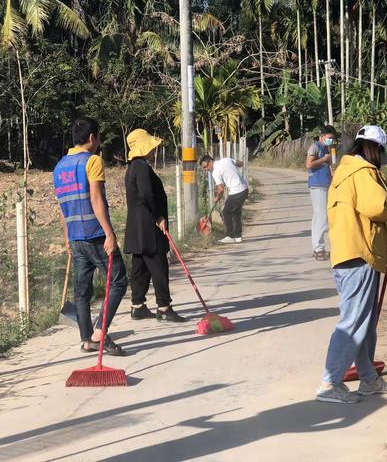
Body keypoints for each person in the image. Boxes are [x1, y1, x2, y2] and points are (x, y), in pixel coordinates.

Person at [315, 125, 387, 404]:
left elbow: (356, 220)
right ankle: (330, 383)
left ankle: (368, 379)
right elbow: (375, 209)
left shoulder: (342, 172)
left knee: (363, 323)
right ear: (374, 149)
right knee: (353, 322)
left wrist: (381, 254)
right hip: (359, 258)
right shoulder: (364, 173)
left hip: (347, 254)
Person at [53, 117, 127, 356]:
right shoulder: (93, 161)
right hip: (94, 234)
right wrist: (109, 233)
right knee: (118, 280)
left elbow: (63, 207)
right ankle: (99, 330)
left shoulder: (60, 166)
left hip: (75, 237)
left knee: (82, 292)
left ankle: (87, 340)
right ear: (93, 138)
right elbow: (96, 199)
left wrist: (67, 237)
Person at [124, 129, 186, 323]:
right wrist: (158, 216)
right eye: (151, 146)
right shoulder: (141, 166)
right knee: (159, 264)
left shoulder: (133, 167)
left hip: (136, 226)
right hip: (148, 224)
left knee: (140, 266)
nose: (154, 150)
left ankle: (138, 306)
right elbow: (147, 194)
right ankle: (164, 307)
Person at [200, 154, 248, 244]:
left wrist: (217, 197)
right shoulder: (226, 160)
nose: (206, 169)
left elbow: (221, 189)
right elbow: (240, 163)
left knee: (226, 212)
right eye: (204, 168)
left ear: (210, 162)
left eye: (206, 166)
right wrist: (230, 173)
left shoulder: (215, 171)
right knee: (236, 212)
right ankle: (238, 236)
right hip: (244, 189)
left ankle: (230, 236)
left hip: (237, 191)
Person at [306, 125, 336, 261]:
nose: (331, 140)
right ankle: (319, 249)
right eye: (329, 138)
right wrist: (324, 159)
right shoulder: (315, 147)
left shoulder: (327, 149)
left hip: (325, 184)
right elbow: (309, 164)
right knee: (322, 217)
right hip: (317, 185)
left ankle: (318, 247)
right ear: (322, 136)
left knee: (318, 217)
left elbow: (329, 166)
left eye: (332, 138)